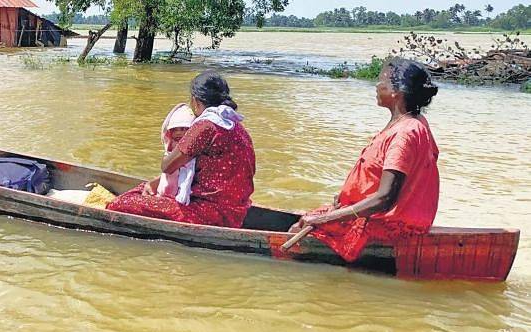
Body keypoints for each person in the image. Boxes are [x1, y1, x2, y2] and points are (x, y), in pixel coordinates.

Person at [289, 58, 440, 262]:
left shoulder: (404, 134)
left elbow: (384, 199)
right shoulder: (414, 122)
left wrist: (323, 219)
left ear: (397, 92)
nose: (377, 86)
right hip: (398, 217)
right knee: (309, 218)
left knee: (296, 231)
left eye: (382, 81)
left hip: (389, 225)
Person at [107, 71, 256, 228]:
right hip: (236, 212)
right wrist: (158, 181)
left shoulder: (206, 125)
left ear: (195, 100)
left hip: (210, 214)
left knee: (121, 203)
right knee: (147, 187)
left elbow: (167, 166)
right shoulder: (237, 127)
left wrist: (175, 142)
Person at [156, 103, 196, 204]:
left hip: (182, 194)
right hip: (166, 190)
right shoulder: (171, 147)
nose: (178, 133)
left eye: (183, 129)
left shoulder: (193, 149)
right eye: (175, 130)